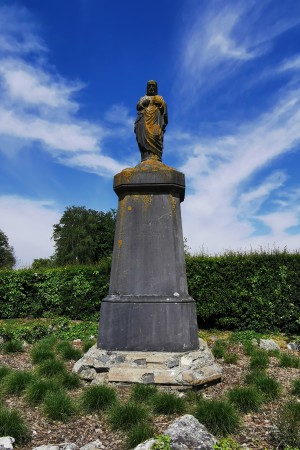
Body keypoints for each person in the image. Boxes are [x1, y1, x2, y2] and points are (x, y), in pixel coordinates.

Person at [134, 80, 168, 161]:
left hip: (156, 122)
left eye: (153, 86)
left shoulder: (159, 98)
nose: (151, 88)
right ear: (146, 88)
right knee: (143, 138)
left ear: (156, 88)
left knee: (156, 136)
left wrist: (161, 103)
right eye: (149, 86)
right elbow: (138, 106)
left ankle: (156, 157)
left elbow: (164, 110)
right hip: (144, 120)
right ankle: (145, 157)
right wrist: (144, 103)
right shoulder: (143, 98)